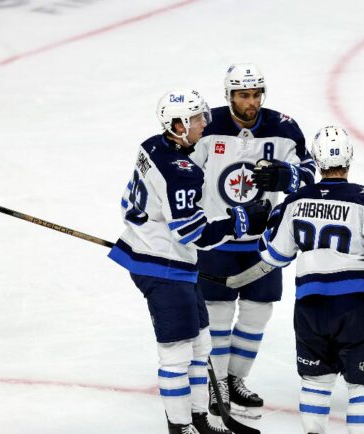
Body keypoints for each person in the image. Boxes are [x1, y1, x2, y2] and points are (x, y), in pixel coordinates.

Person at [107, 88, 270, 434]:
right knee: (177, 353)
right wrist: (242, 221)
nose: (203, 124)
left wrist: (145, 230)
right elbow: (193, 235)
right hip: (164, 268)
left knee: (201, 344)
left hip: (162, 257)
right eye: (196, 119)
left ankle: (198, 417)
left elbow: (128, 202)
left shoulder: (151, 145)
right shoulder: (180, 171)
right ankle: (181, 428)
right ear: (177, 124)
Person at [252, 125, 364, 433]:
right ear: (350, 157)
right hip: (356, 311)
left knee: (316, 382)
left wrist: (268, 218)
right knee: (363, 387)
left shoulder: (295, 201)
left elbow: (274, 255)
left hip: (310, 309)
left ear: (316, 159)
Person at [189, 62, 316, 418]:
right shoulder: (207, 127)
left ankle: (235, 379)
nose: (252, 102)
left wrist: (287, 177)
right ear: (228, 95)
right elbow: (181, 173)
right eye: (244, 95)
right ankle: (216, 385)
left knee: (257, 314)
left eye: (257, 94)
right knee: (218, 313)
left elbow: (309, 176)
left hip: (263, 242)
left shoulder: (284, 129)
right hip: (216, 240)